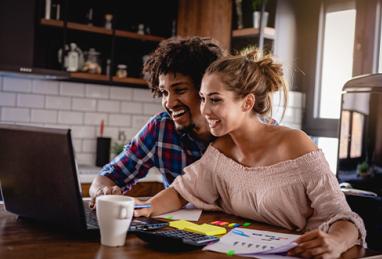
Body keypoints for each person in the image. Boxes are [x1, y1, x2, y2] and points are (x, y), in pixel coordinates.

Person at [134, 50, 366, 258]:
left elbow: (344, 218)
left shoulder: (295, 144)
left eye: (215, 100)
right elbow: (181, 191)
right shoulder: (220, 150)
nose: (204, 110)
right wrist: (146, 208)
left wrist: (335, 241)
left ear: (247, 103)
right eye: (203, 99)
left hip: (307, 254)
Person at [89, 36, 225, 207]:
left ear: (206, 89)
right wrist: (102, 192)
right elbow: (107, 176)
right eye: (164, 93)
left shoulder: (237, 129)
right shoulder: (161, 129)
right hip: (179, 231)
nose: (169, 103)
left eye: (180, 90)